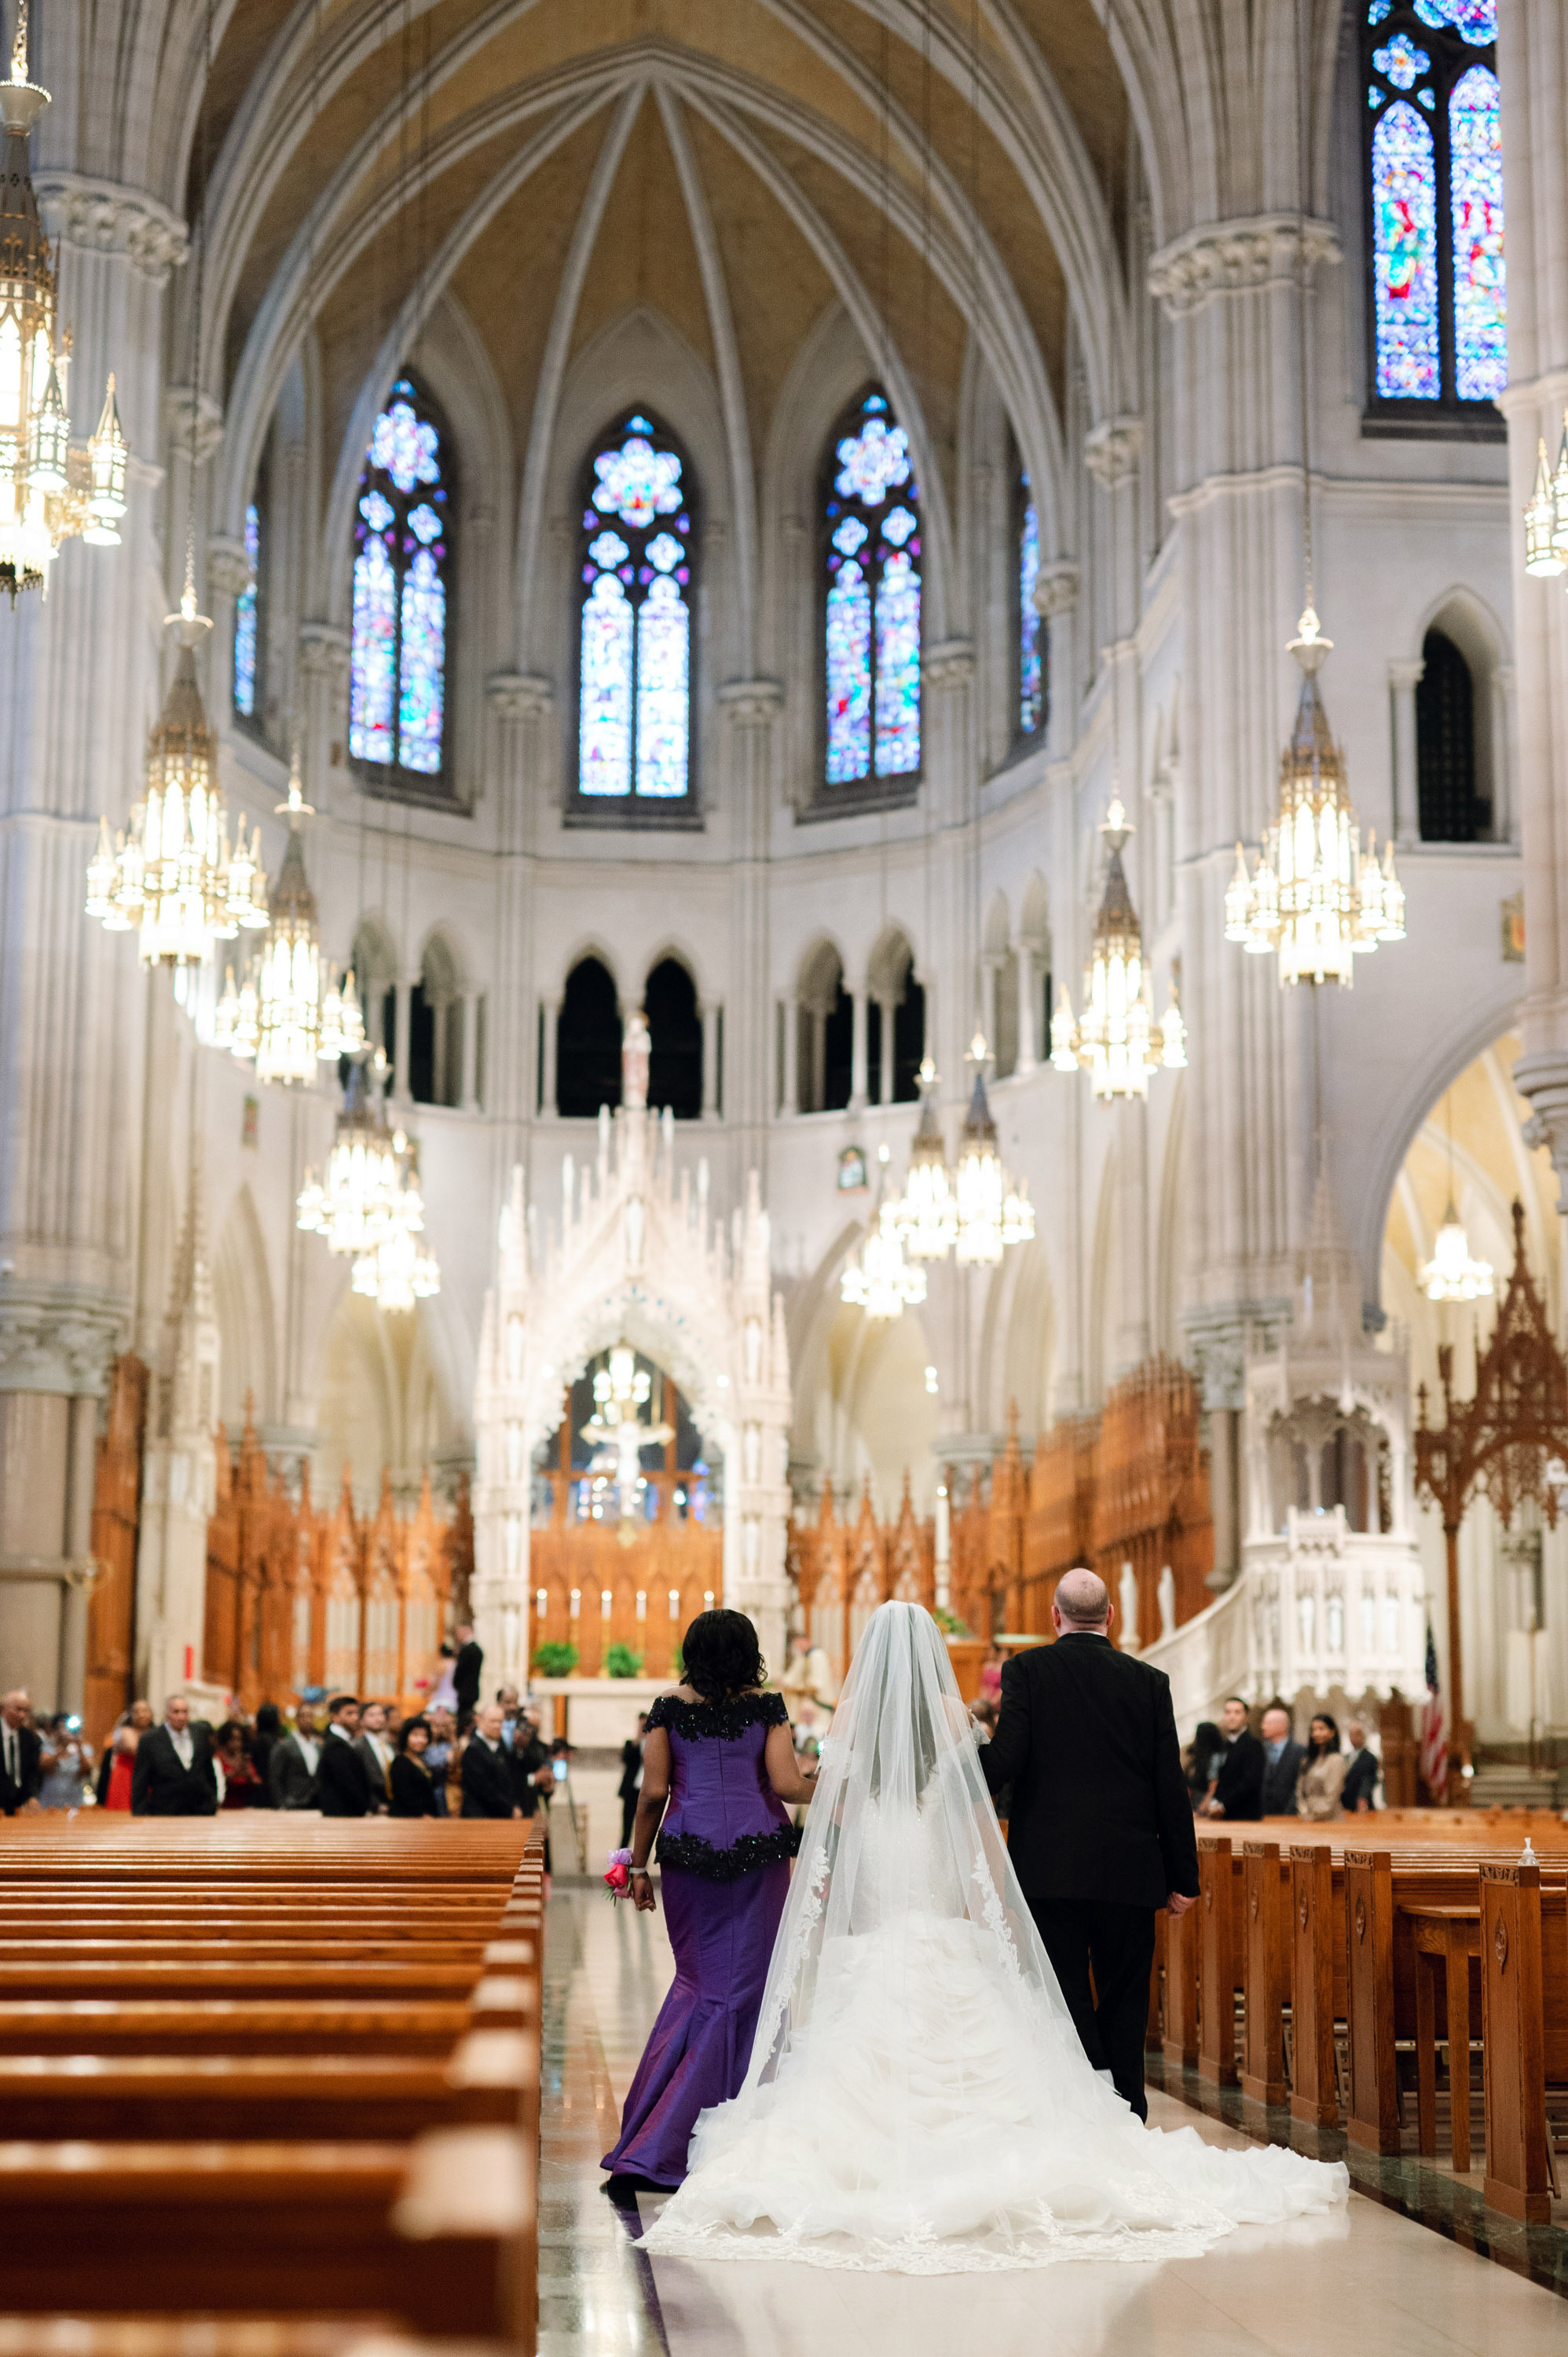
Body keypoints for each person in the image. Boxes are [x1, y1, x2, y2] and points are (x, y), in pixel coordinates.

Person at [641, 1601, 1347, 2275]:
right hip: (933, 1854)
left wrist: (818, 1898)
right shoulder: (953, 1714)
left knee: (855, 2006)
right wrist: (998, 1904)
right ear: (932, 1654)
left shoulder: (851, 1713)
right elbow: (976, 1810)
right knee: (975, 1995)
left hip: (878, 1851)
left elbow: (833, 1809)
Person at [602, 1607, 819, 2192]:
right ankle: (708, 2132)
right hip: (759, 1858)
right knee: (745, 1990)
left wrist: (636, 1863)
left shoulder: (669, 1707)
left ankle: (662, 2128)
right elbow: (788, 1786)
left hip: (689, 1856)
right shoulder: (766, 1706)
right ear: (750, 1650)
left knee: (699, 1983)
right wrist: (845, 1775)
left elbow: (652, 1793)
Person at [973, 1567, 1198, 2121]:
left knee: (1065, 1991)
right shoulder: (1148, 1681)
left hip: (1050, 1868)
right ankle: (1128, 2111)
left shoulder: (1026, 1670)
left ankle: (1083, 2111)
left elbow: (1005, 1763)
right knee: (1126, 1996)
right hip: (1128, 1868)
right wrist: (1183, 1877)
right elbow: (1170, 1784)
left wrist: (956, 1753)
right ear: (1110, 1616)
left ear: (1055, 1616)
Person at [131, 1695, 218, 1816]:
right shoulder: (150, 1739)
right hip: (165, 1810)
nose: (181, 1716)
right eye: (176, 1712)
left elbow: (209, 1770)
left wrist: (212, 1801)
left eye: (185, 1712)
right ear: (166, 1714)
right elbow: (141, 1780)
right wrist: (139, 1814)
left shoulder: (200, 1733)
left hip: (200, 1809)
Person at [1200, 1695, 1264, 1821]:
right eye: (1228, 1712)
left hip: (1246, 1817)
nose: (1232, 1716)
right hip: (1225, 1817)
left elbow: (1250, 1782)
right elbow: (1221, 1780)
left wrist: (1223, 1805)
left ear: (1246, 1716)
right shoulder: (1224, 1745)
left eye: (1237, 1712)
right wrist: (1214, 1802)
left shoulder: (1253, 1745)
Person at [317, 1695, 376, 1817]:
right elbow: (346, 1781)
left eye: (357, 1713)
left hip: (347, 1813)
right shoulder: (335, 1744)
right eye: (349, 1713)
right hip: (340, 1813)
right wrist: (365, 1806)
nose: (355, 1718)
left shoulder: (344, 1740)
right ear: (335, 1717)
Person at [461, 1701, 522, 1818]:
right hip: (480, 1816)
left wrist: (515, 1805)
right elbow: (483, 1789)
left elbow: (508, 1779)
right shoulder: (473, 1749)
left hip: (500, 1813)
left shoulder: (500, 1745)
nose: (497, 1726)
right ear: (479, 1721)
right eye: (493, 1721)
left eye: (500, 1722)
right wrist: (509, 1809)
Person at [96, 1701, 152, 1812]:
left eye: (145, 1711)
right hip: (126, 1777)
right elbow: (135, 1750)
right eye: (137, 1712)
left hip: (147, 1777)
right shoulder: (124, 1732)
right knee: (123, 1810)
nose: (141, 1715)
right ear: (131, 1715)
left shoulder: (154, 1733)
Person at [269, 1705, 322, 1809]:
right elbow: (275, 1777)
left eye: (310, 1716)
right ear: (297, 1720)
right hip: (293, 1801)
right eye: (303, 1716)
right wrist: (281, 1803)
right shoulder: (285, 1745)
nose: (307, 1720)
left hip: (315, 1802)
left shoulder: (317, 1746)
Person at [38, 1714, 94, 1809]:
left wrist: (79, 1747)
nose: (64, 1731)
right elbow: (45, 1768)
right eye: (60, 1728)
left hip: (75, 1801)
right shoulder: (47, 1748)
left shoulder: (85, 1749)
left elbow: (87, 1772)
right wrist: (61, 1748)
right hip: (50, 1803)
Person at [1296, 1714, 1346, 1820]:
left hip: (1329, 1819)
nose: (1316, 1733)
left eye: (1321, 1729)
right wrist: (1304, 1812)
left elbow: (1332, 1796)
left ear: (1332, 1732)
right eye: (1313, 1730)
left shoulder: (1336, 1760)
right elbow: (1300, 1791)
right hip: (1307, 1817)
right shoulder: (1307, 1760)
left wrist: (1314, 1816)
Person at [0, 1688, 42, 1814]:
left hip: (18, 1804)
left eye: (26, 1711)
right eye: (18, 1709)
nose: (22, 1715)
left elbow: (33, 1772)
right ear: (4, 1709)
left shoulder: (29, 1737)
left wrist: (32, 1796)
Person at [1258, 1704, 1304, 1817]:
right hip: (1262, 1814)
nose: (1263, 1727)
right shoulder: (1259, 1750)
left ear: (1282, 1726)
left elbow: (1300, 1785)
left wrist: (1290, 1812)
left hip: (1289, 1814)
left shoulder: (1299, 1752)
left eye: (1267, 1723)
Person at [390, 1716, 441, 1816]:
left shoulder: (422, 1761)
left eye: (424, 1736)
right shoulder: (400, 1762)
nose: (421, 1740)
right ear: (406, 1737)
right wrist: (422, 1815)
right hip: (408, 1819)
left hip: (427, 1818)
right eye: (415, 1735)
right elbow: (405, 1796)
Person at [214, 1718, 264, 1809]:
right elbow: (217, 1782)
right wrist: (236, 1773)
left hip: (242, 1807)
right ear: (225, 1739)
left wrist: (249, 1776)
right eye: (233, 1739)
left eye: (240, 1740)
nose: (237, 1744)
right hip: (222, 1807)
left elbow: (257, 1782)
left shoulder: (244, 1760)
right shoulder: (218, 1759)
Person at [354, 1701, 394, 1812]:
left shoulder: (390, 1746)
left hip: (393, 1806)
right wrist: (375, 1805)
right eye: (372, 1715)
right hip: (372, 1807)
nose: (378, 1719)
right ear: (361, 1721)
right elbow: (358, 1781)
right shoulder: (357, 1746)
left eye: (380, 1714)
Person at [617, 1713, 647, 1848]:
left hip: (646, 1792)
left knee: (644, 1831)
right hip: (631, 1791)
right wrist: (638, 1740)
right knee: (627, 1829)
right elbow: (625, 1759)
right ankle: (621, 1861)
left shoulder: (654, 1745)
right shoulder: (632, 1744)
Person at [1185, 1719, 1223, 1813]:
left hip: (1205, 1804)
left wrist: (1203, 1807)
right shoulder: (1197, 1757)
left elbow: (1213, 1786)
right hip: (1194, 1801)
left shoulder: (1215, 1758)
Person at [424, 1706, 456, 1817]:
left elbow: (452, 1761)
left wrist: (452, 1735)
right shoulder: (423, 1747)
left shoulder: (444, 1745)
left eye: (441, 1726)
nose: (438, 1730)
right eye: (435, 1726)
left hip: (444, 1788)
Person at [1341, 1719, 1379, 1813]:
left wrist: (1362, 1797)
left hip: (1362, 1806)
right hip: (1346, 1806)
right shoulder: (1345, 1757)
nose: (1354, 1737)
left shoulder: (1370, 1757)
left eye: (1357, 1734)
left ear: (1364, 1735)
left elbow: (1369, 1779)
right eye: (1351, 1734)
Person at [452, 1620, 483, 1725]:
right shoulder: (478, 1650)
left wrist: (456, 1684)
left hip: (465, 1691)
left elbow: (460, 1671)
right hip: (473, 1690)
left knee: (463, 1718)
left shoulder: (466, 1650)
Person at [249, 1702, 283, 1797]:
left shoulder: (260, 1738)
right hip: (266, 1789)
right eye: (279, 1716)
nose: (281, 1720)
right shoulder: (266, 1741)